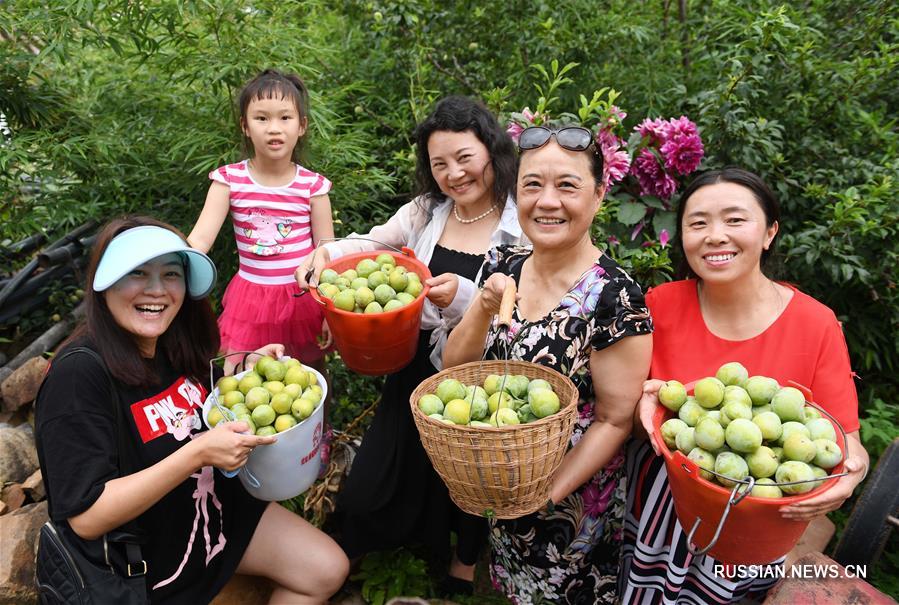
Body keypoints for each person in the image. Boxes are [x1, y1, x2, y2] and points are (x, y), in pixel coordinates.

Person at [35, 216, 348, 604]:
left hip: (209, 517)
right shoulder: (79, 375)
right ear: (105, 283)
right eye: (137, 273)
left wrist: (244, 373)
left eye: (171, 273)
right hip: (145, 554)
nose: (157, 290)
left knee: (326, 568)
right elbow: (86, 518)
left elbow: (193, 408)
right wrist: (196, 454)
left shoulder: (168, 341)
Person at [296, 95, 526, 592]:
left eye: (464, 158)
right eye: (439, 163)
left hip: (478, 374)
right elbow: (372, 243)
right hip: (415, 364)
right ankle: (360, 546)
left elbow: (526, 303)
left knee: (469, 474)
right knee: (380, 472)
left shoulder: (522, 221)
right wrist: (326, 252)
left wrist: (465, 295)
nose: (453, 174)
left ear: (491, 151)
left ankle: (463, 563)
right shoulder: (428, 211)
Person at [619, 168, 870, 604]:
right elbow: (637, 425)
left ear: (770, 232)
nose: (715, 235)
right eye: (698, 223)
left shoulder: (815, 324)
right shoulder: (660, 304)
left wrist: (851, 479)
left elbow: (846, 444)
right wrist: (643, 406)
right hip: (662, 513)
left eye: (735, 220)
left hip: (754, 528)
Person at [443, 124, 654, 603]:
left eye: (567, 186)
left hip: (569, 511)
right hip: (500, 490)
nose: (547, 201)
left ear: (599, 196)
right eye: (532, 185)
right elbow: (455, 368)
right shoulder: (503, 262)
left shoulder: (615, 297)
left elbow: (614, 418)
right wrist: (480, 304)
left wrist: (542, 497)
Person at [187, 69, 334, 376]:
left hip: (302, 298)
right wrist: (167, 270)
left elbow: (326, 252)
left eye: (285, 117)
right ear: (245, 126)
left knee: (309, 375)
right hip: (251, 301)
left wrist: (329, 309)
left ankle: (321, 427)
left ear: (302, 126)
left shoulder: (313, 186)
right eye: (261, 118)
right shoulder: (229, 180)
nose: (273, 128)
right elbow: (199, 241)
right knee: (243, 378)